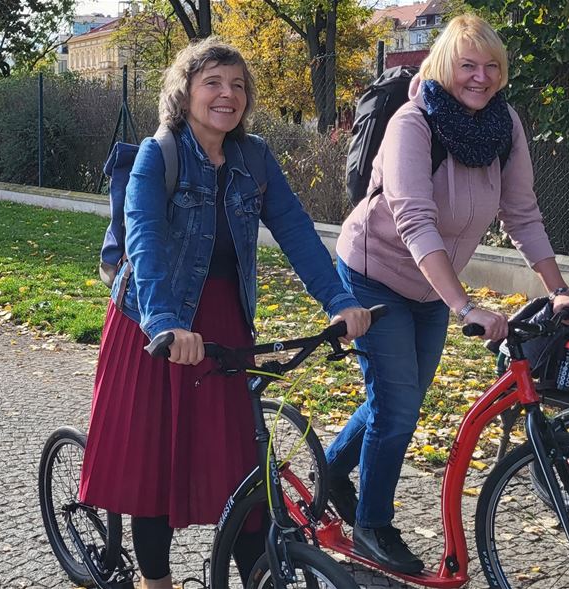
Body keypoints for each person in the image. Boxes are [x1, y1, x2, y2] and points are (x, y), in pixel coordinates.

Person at [78, 37, 372, 589]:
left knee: (243, 468)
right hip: (155, 322)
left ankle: (259, 578)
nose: (227, 94)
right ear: (185, 91)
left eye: (237, 85)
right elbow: (142, 239)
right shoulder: (158, 153)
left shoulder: (253, 157)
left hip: (224, 322)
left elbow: (296, 231)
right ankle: (155, 581)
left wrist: (341, 302)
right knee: (155, 469)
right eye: (213, 82)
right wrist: (166, 323)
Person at [325, 14, 569, 575]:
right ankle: (372, 526)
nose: (481, 77)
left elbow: (522, 214)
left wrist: (559, 289)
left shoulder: (505, 125)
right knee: (397, 410)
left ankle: (327, 475)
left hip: (432, 287)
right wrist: (464, 304)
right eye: (469, 64)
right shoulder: (412, 123)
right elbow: (415, 220)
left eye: (492, 66)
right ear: (446, 65)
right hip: (374, 275)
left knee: (397, 400)